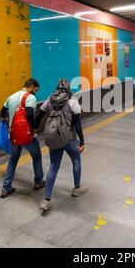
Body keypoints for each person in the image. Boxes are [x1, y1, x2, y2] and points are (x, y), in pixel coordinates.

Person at [36, 79, 87, 211]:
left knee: (53, 166)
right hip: (69, 138)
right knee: (76, 160)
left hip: (53, 137)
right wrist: (82, 141)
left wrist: (35, 127)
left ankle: (46, 199)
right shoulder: (72, 101)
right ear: (68, 88)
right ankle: (77, 188)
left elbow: (39, 114)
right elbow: (77, 124)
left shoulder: (50, 99)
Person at [0, 78, 44, 198]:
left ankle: (6, 188)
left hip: (13, 134)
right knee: (36, 156)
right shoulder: (30, 97)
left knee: (13, 160)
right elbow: (30, 114)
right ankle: (38, 182)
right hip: (27, 134)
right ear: (31, 87)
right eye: (35, 89)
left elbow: (3, 111)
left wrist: (6, 120)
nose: (35, 92)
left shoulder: (12, 96)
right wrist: (34, 127)